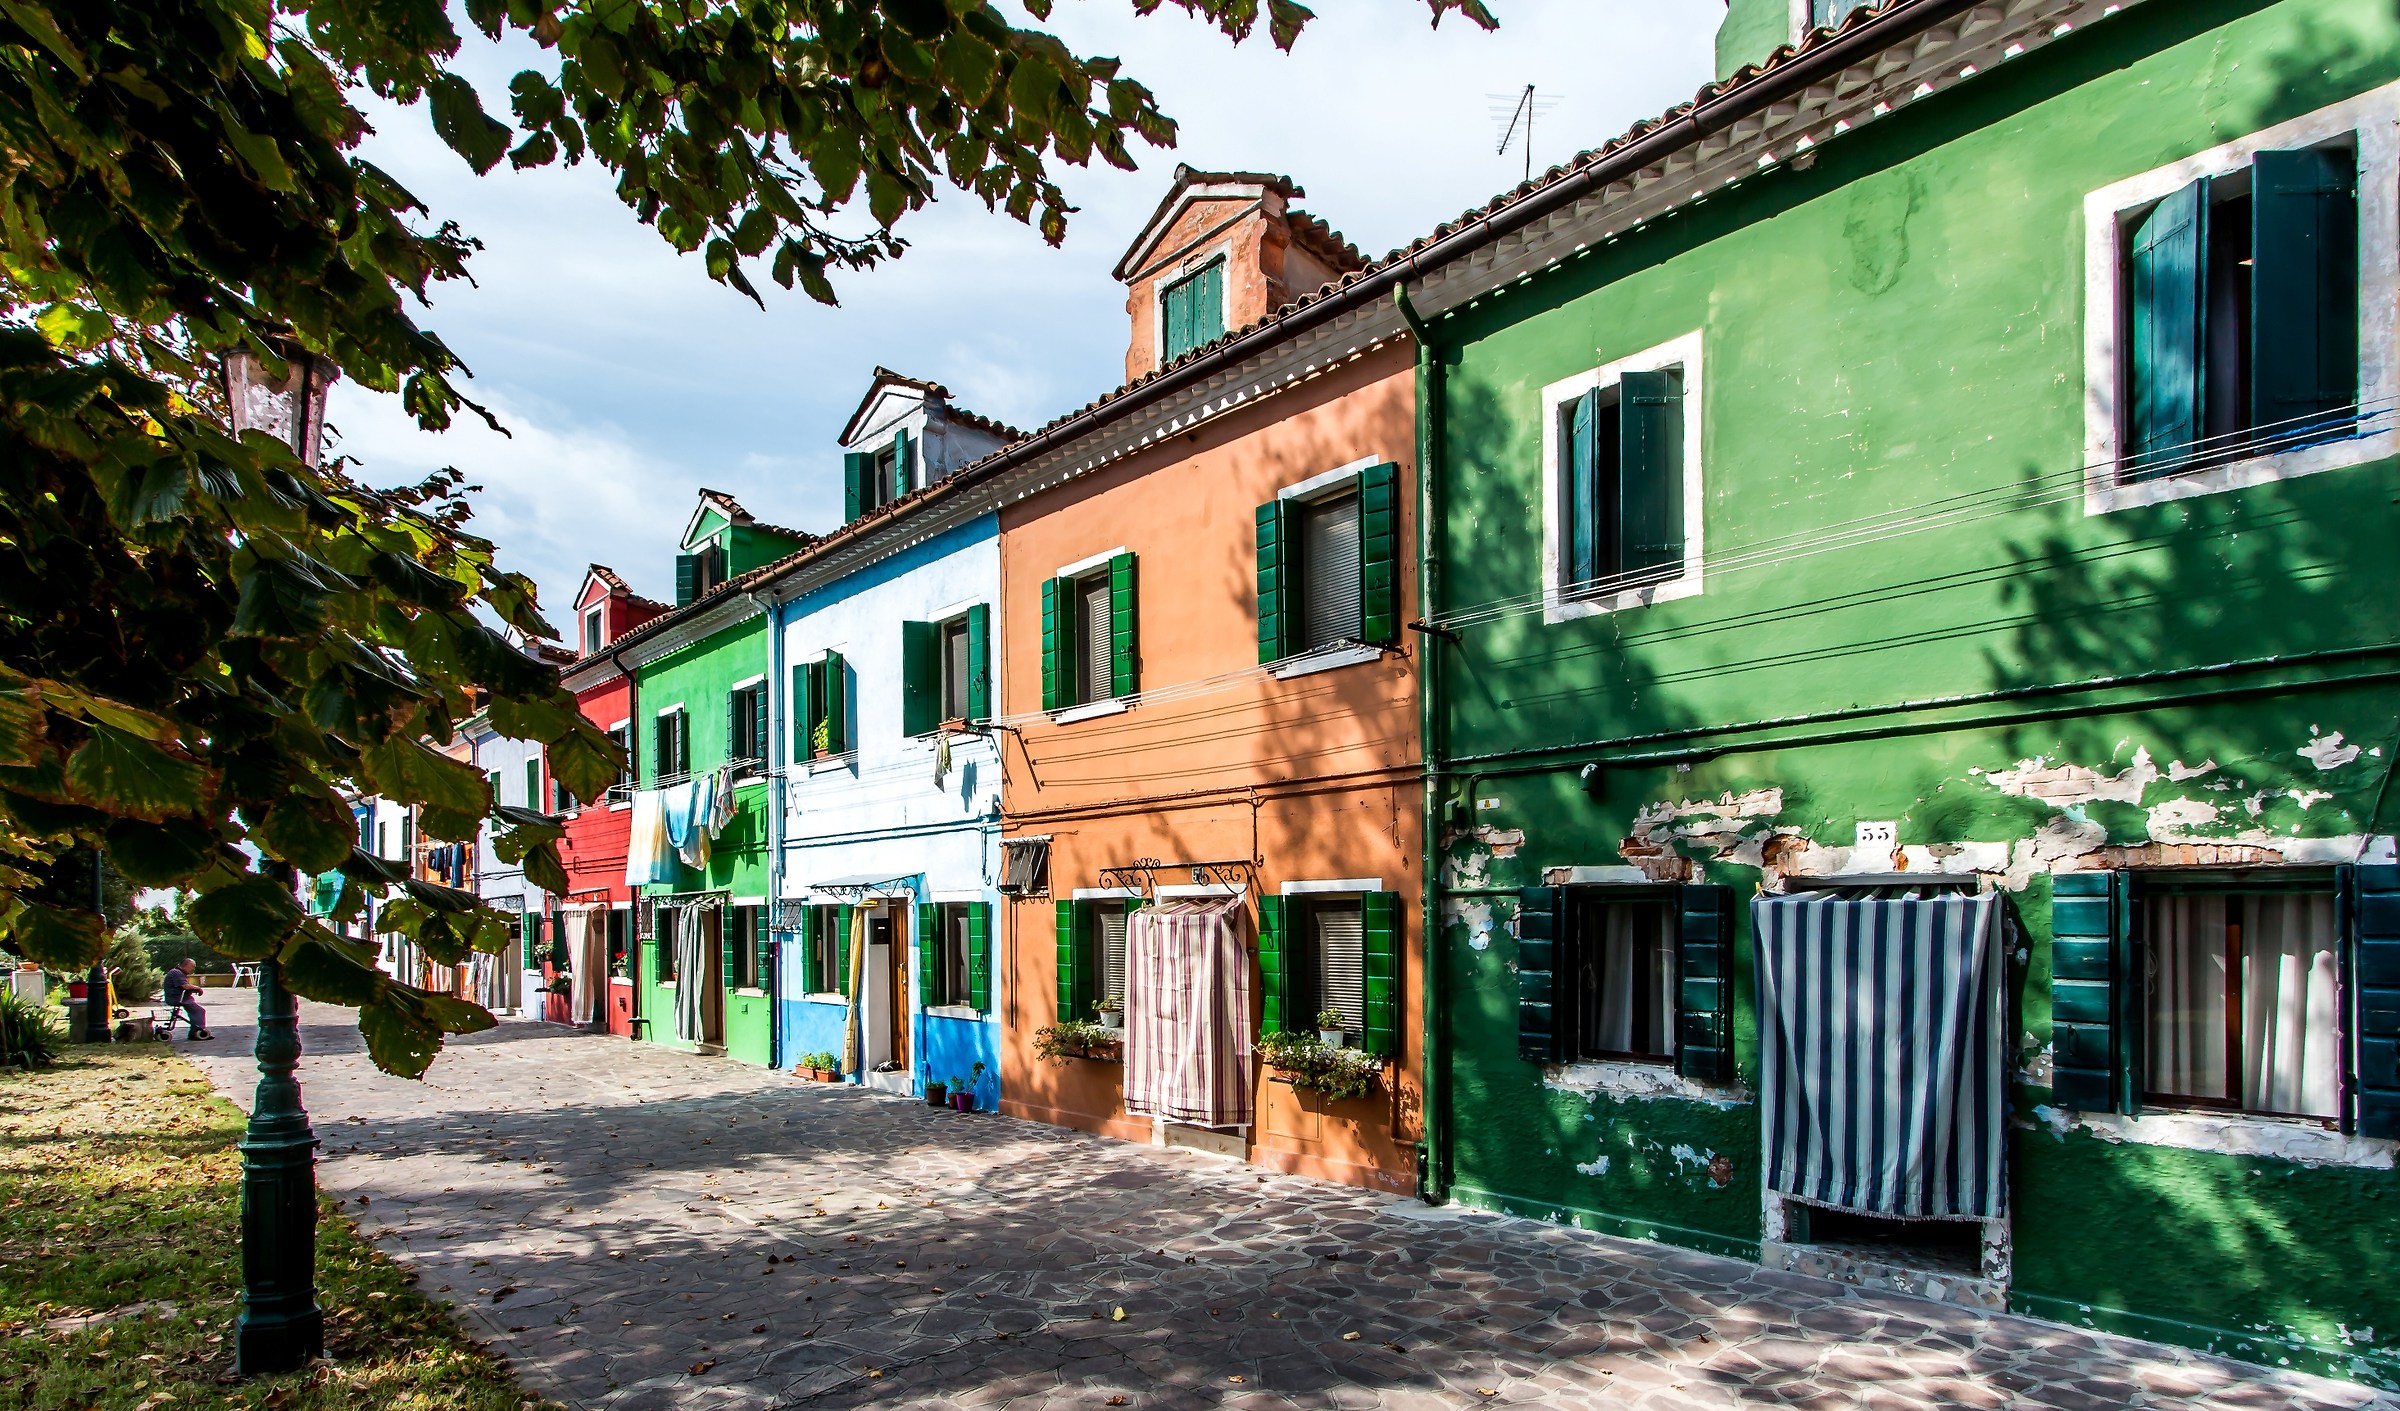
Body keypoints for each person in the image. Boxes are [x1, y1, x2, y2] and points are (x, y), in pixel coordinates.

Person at [162, 958, 212, 1040]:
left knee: (195, 1011)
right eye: (192, 967)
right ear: (185, 965)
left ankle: (195, 1031)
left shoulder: (177, 972)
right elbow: (185, 986)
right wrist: (197, 988)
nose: (193, 969)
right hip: (177, 998)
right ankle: (198, 1031)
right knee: (199, 1011)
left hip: (179, 997)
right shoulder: (176, 973)